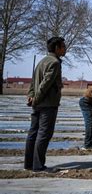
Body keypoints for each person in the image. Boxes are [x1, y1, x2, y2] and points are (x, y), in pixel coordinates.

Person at [24, 37, 66, 171]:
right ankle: (38, 165)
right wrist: (36, 98)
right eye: (63, 46)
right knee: (44, 134)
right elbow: (44, 84)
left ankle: (29, 164)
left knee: (33, 132)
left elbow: (33, 82)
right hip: (47, 104)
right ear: (57, 48)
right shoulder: (54, 63)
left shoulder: (42, 61)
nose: (65, 49)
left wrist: (31, 96)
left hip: (38, 102)